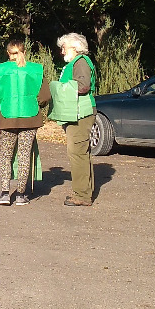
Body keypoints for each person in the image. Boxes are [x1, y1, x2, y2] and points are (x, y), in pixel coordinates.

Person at [0, 37, 52, 206]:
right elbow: (45, 96)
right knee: (24, 155)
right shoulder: (35, 70)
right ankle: (21, 195)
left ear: (8, 53)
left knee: (6, 156)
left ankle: (5, 193)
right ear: (25, 52)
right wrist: (35, 103)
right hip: (30, 118)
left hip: (8, 118)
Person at [56, 33, 97, 206]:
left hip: (81, 112)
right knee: (81, 152)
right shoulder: (78, 62)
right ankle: (84, 192)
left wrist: (60, 89)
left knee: (77, 153)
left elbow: (83, 86)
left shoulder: (80, 62)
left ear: (74, 47)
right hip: (78, 112)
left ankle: (82, 196)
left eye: (64, 48)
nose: (62, 51)